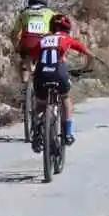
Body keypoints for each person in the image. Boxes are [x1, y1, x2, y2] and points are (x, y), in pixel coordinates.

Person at [31, 12, 93, 149]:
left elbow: (33, 57)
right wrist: (84, 68)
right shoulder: (67, 39)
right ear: (68, 29)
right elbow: (89, 54)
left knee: (40, 104)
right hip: (59, 74)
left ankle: (36, 131)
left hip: (41, 75)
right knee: (65, 98)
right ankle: (68, 133)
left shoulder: (43, 40)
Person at [10, 0, 61, 87]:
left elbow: (14, 34)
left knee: (24, 61)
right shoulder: (51, 13)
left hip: (28, 44)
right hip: (45, 44)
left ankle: (24, 87)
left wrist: (16, 47)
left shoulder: (24, 13)